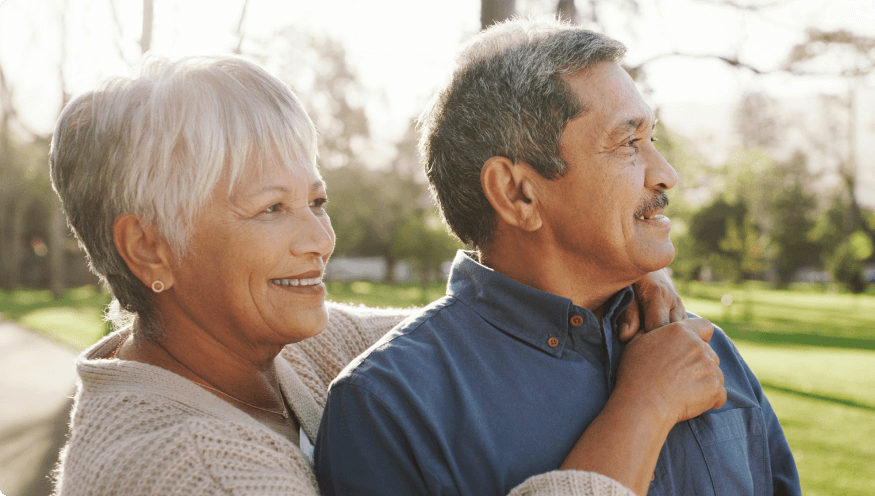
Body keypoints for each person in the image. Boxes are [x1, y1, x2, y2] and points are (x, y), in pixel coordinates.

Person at [50, 54, 710, 496]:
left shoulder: (285, 351)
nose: (319, 239)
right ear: (149, 249)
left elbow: (481, 329)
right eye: (271, 209)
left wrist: (618, 269)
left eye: (316, 201)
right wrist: (644, 408)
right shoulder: (187, 471)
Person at [314, 18, 801, 496]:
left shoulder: (702, 349)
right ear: (517, 194)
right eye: (628, 143)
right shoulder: (390, 407)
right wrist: (646, 403)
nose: (666, 174)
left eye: (653, 139)